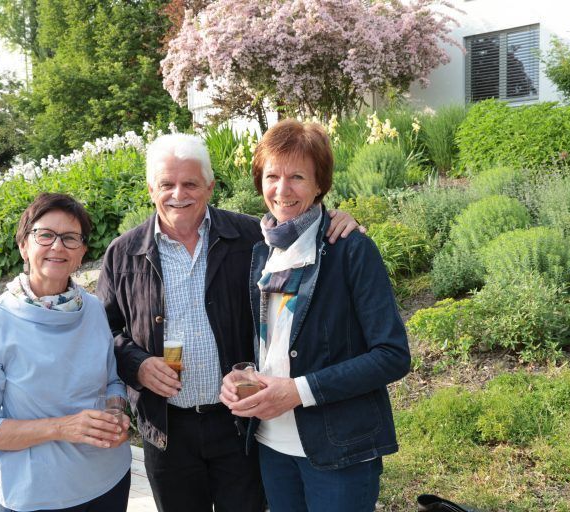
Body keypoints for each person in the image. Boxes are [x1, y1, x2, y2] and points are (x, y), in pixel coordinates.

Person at [97, 133, 361, 512]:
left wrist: (337, 218)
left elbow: (304, 232)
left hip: (239, 423)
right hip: (167, 429)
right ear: (151, 188)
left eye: (190, 183)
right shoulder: (124, 253)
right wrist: (137, 364)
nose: (178, 194)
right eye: (167, 184)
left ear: (210, 186)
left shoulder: (252, 237)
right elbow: (105, 332)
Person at [220, 119, 411, 512]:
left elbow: (392, 354)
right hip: (271, 443)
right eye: (272, 176)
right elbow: (271, 344)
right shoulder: (263, 253)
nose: (282, 189)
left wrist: (297, 392)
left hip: (338, 449)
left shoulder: (350, 249)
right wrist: (241, 377)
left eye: (297, 177)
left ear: (320, 183)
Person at [0, 193, 132, 512]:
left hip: (110, 477)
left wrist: (117, 410)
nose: (57, 246)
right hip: (42, 493)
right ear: (24, 245)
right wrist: (63, 427)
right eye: (45, 235)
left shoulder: (93, 308)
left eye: (70, 238)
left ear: (81, 253)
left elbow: (112, 382)